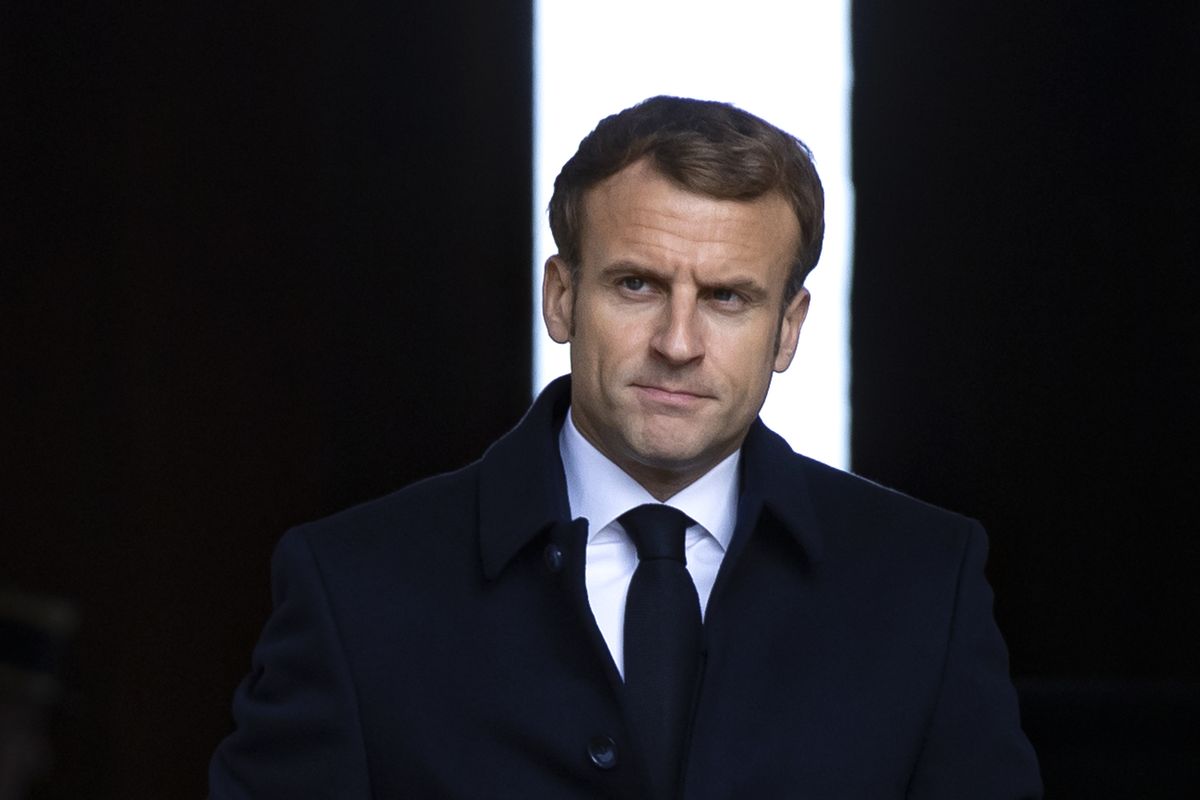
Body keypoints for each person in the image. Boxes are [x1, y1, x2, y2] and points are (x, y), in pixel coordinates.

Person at [209, 95, 1042, 798]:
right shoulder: (354, 585)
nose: (678, 341)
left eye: (727, 297)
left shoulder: (926, 584)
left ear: (787, 329)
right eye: (636, 284)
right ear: (563, 297)